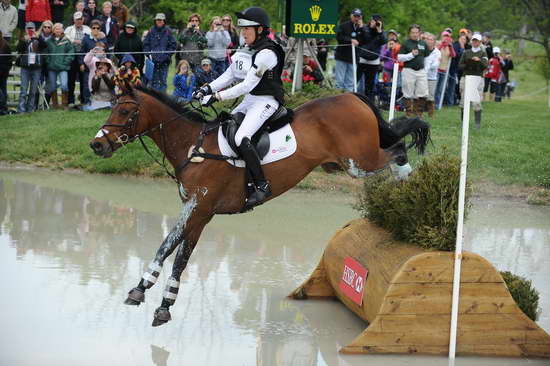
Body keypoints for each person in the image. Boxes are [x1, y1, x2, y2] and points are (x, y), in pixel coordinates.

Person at [192, 7, 284, 209]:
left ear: (260, 29)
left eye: (247, 29)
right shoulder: (245, 48)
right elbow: (230, 75)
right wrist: (206, 88)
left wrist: (215, 97)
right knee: (225, 128)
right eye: (242, 29)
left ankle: (261, 185)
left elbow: (247, 85)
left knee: (242, 137)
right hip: (252, 99)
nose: (243, 32)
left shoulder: (267, 53)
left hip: (266, 100)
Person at [398, 24, 430, 117]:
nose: (415, 34)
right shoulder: (405, 43)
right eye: (413, 32)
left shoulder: (423, 43)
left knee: (423, 92)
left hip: (421, 71)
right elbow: (399, 58)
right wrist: (411, 55)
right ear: (409, 33)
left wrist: (425, 69)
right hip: (408, 70)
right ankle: (409, 112)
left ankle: (418, 113)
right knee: (408, 92)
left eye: (416, 32)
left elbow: (427, 58)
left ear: (420, 33)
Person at [458, 33, 488, 129]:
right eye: (474, 40)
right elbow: (460, 65)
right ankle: (464, 122)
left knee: (477, 101)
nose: (475, 42)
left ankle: (477, 124)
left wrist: (478, 60)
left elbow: (485, 65)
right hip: (466, 77)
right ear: (471, 41)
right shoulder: (466, 52)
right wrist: (469, 62)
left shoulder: (483, 53)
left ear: (480, 42)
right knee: (464, 101)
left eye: (477, 41)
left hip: (478, 78)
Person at [17, 22, 47, 113]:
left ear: (35, 29)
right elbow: (18, 49)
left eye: (32, 28)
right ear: (26, 29)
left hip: (36, 67)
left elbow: (45, 46)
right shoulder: (23, 39)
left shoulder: (38, 38)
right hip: (25, 67)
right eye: (28, 28)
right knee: (23, 90)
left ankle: (30, 109)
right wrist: (24, 41)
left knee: (33, 91)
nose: (30, 30)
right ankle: (21, 110)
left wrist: (37, 37)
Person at [143, 13, 176, 92]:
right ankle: (154, 100)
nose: (159, 21)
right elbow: (145, 44)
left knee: (163, 81)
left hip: (165, 61)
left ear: (164, 21)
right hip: (152, 61)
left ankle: (162, 100)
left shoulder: (168, 31)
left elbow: (173, 45)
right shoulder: (151, 30)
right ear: (155, 21)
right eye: (158, 20)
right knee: (152, 81)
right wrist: (148, 54)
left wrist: (167, 55)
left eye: (161, 20)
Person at [356, 13, 386, 101]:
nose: (373, 23)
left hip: (374, 61)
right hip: (362, 59)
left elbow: (384, 41)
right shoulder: (365, 29)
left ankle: (369, 103)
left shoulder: (381, 32)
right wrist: (361, 28)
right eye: (373, 21)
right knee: (356, 81)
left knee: (370, 85)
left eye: (376, 22)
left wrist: (379, 29)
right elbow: (361, 39)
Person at [65, 11, 91, 107]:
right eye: (77, 20)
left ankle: (83, 100)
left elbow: (89, 39)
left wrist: (81, 42)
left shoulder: (87, 29)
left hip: (84, 56)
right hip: (72, 56)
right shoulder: (68, 29)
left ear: (83, 20)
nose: (79, 21)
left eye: (80, 19)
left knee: (83, 78)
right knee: (71, 79)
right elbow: (66, 38)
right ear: (74, 20)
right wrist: (74, 41)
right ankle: (70, 101)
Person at [334, 8, 364, 91]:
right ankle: (337, 100)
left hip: (354, 59)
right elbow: (339, 37)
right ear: (351, 16)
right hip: (342, 57)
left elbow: (364, 41)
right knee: (339, 82)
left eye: (358, 16)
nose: (356, 18)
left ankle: (348, 101)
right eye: (355, 16)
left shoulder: (362, 28)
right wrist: (350, 40)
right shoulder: (344, 25)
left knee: (350, 83)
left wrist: (361, 28)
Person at [46, 23, 74, 109]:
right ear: (53, 30)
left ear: (62, 30)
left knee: (64, 85)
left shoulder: (66, 41)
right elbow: (45, 53)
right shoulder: (48, 41)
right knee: (53, 87)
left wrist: (66, 62)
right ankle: (55, 105)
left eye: (60, 29)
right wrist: (48, 61)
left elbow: (71, 53)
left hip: (63, 67)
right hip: (52, 67)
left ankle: (64, 104)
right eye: (56, 29)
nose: (58, 30)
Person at [434, 30, 456, 108]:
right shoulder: (437, 43)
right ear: (442, 36)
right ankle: (430, 104)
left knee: (440, 89)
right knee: (434, 87)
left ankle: (437, 104)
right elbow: (435, 52)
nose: (446, 38)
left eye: (447, 37)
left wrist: (450, 46)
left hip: (444, 70)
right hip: (436, 69)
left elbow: (453, 55)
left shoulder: (449, 46)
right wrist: (442, 45)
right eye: (445, 36)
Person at [423, 32, 440, 118]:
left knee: (430, 97)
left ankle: (431, 114)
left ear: (434, 41)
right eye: (428, 39)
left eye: (431, 40)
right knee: (421, 95)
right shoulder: (423, 50)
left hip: (431, 77)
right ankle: (419, 113)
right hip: (422, 76)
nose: (429, 41)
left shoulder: (437, 52)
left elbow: (436, 65)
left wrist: (427, 66)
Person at [0, 31, 13, 115]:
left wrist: (4, 71)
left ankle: (3, 108)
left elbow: (9, 61)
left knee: (3, 91)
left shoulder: (5, 45)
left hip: (2, 74)